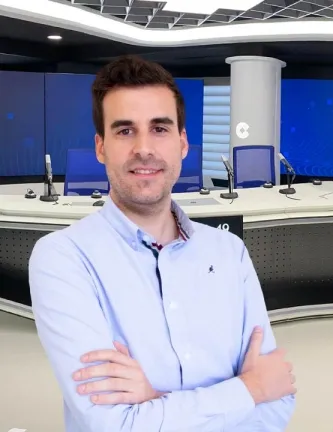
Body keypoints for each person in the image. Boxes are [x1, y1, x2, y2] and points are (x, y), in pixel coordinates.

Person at [28, 55, 296, 431]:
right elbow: (114, 425)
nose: (144, 148)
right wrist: (249, 389)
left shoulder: (229, 252)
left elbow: (278, 400)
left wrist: (155, 401)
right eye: (125, 131)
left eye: (159, 128)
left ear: (182, 143)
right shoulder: (63, 258)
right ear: (100, 147)